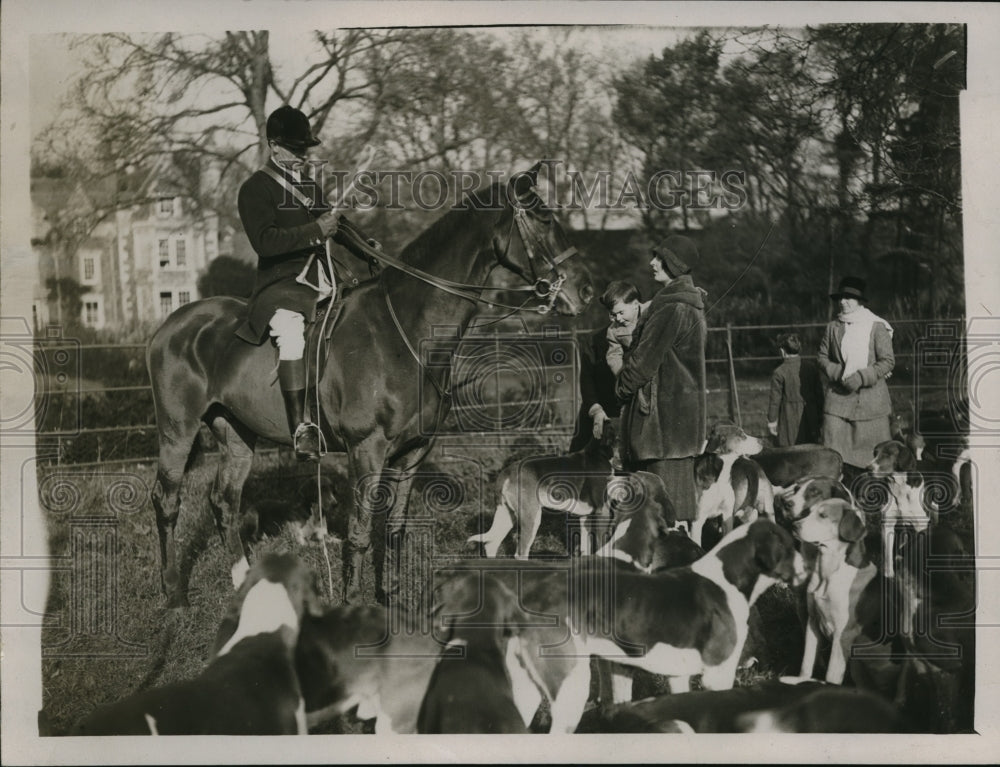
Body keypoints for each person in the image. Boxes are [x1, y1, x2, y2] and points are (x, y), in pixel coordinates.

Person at [235, 105, 341, 462]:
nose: (302, 157)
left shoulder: (310, 186)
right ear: (273, 146)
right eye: (295, 150)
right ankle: (301, 429)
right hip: (281, 286)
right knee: (292, 330)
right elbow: (265, 242)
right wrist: (315, 231)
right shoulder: (254, 190)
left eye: (305, 150)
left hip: (322, 281)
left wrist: (367, 245)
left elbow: (333, 228)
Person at [615, 235, 707, 525]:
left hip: (660, 427)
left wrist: (620, 390)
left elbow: (643, 363)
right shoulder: (689, 304)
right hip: (678, 426)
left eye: (661, 259)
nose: (652, 263)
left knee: (656, 517)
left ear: (675, 266)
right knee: (674, 515)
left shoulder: (670, 308)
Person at [817, 276, 895, 476]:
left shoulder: (876, 326)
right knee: (832, 453)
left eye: (848, 298)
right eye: (841, 298)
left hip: (871, 402)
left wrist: (861, 377)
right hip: (838, 401)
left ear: (859, 301)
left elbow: (887, 361)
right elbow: (822, 357)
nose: (843, 301)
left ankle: (874, 496)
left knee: (873, 459)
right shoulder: (833, 327)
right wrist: (838, 373)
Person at [767, 332, 824, 446]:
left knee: (790, 449)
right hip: (810, 415)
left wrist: (772, 421)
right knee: (810, 447)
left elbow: (775, 401)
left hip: (789, 417)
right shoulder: (811, 368)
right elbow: (820, 394)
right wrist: (820, 416)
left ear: (782, 351)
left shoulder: (779, 372)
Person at [601, 280, 651, 377]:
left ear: (635, 305)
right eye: (614, 314)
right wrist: (622, 376)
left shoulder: (651, 309)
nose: (618, 318)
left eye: (621, 313)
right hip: (639, 371)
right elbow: (614, 356)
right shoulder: (613, 331)